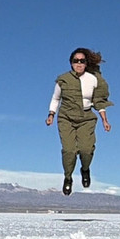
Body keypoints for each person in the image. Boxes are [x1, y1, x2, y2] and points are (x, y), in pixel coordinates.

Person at [46, 48, 112, 195]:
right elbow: (56, 98)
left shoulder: (93, 79)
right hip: (66, 118)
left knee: (86, 150)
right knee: (69, 151)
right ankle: (68, 178)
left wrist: (104, 120)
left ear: (86, 63)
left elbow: (99, 102)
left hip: (86, 118)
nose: (79, 64)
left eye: (82, 61)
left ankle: (85, 169)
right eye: (76, 61)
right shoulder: (63, 80)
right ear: (71, 63)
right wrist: (51, 114)